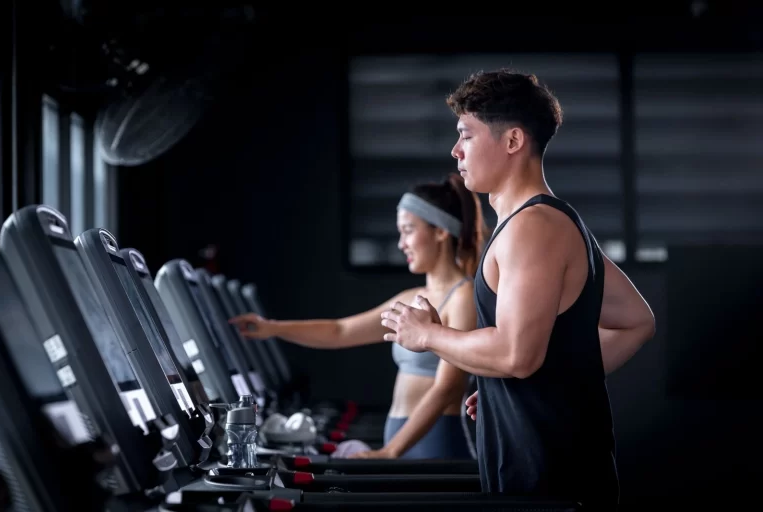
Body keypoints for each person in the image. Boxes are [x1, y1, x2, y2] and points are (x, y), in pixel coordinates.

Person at [379, 69, 656, 510]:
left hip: (551, 486)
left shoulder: (535, 227)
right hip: (549, 479)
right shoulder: (547, 224)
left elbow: (515, 355)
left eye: (465, 136)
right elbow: (636, 321)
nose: (456, 151)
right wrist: (531, 383)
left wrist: (427, 336)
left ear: (512, 142)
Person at [230, 173, 488, 460]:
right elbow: (340, 331)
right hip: (401, 440)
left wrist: (390, 451)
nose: (401, 243)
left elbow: (449, 387)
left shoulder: (463, 296)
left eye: (408, 230)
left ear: (440, 231)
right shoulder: (410, 298)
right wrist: (272, 328)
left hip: (435, 440)